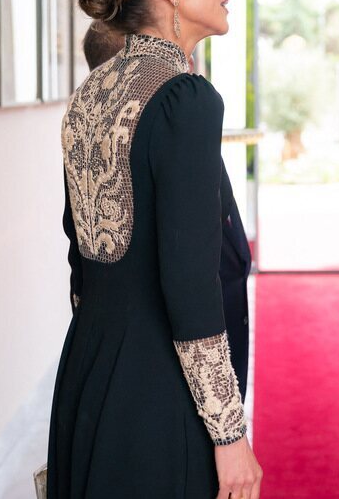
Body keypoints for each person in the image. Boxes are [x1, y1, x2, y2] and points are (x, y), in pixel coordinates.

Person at [49, 0, 262, 499]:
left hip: (90, 371)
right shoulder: (185, 98)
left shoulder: (93, 92)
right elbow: (191, 284)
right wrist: (229, 435)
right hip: (160, 391)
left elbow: (81, 259)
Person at [79, 21, 253, 399]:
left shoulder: (184, 116)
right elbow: (185, 280)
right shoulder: (176, 110)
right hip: (170, 369)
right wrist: (228, 432)